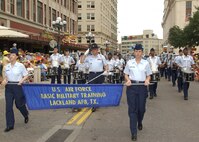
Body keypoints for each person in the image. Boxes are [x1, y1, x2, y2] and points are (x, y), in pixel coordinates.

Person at [124, 44, 152, 141]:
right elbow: (126, 74)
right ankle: (133, 132)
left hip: (142, 87)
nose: (138, 53)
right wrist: (127, 80)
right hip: (131, 87)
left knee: (141, 109)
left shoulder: (146, 63)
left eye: (140, 51)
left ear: (142, 52)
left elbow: (148, 75)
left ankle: (139, 121)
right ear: (134, 52)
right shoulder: (129, 62)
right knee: (132, 110)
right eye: (136, 51)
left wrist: (147, 80)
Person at [1, 48, 29, 132]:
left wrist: (21, 81)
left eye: (13, 55)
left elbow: (26, 75)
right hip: (9, 87)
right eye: (10, 55)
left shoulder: (20, 66)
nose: (11, 56)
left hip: (17, 86)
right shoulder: (6, 66)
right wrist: (4, 81)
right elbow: (6, 78)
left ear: (16, 56)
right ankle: (10, 125)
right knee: (8, 106)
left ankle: (25, 114)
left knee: (19, 104)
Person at [81, 43, 108, 112]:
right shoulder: (88, 57)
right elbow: (81, 61)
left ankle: (98, 101)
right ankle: (94, 104)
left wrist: (106, 71)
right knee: (92, 89)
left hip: (100, 74)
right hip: (92, 74)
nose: (94, 51)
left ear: (97, 50)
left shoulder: (101, 57)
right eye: (92, 50)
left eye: (95, 49)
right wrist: (85, 53)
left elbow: (106, 65)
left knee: (99, 89)